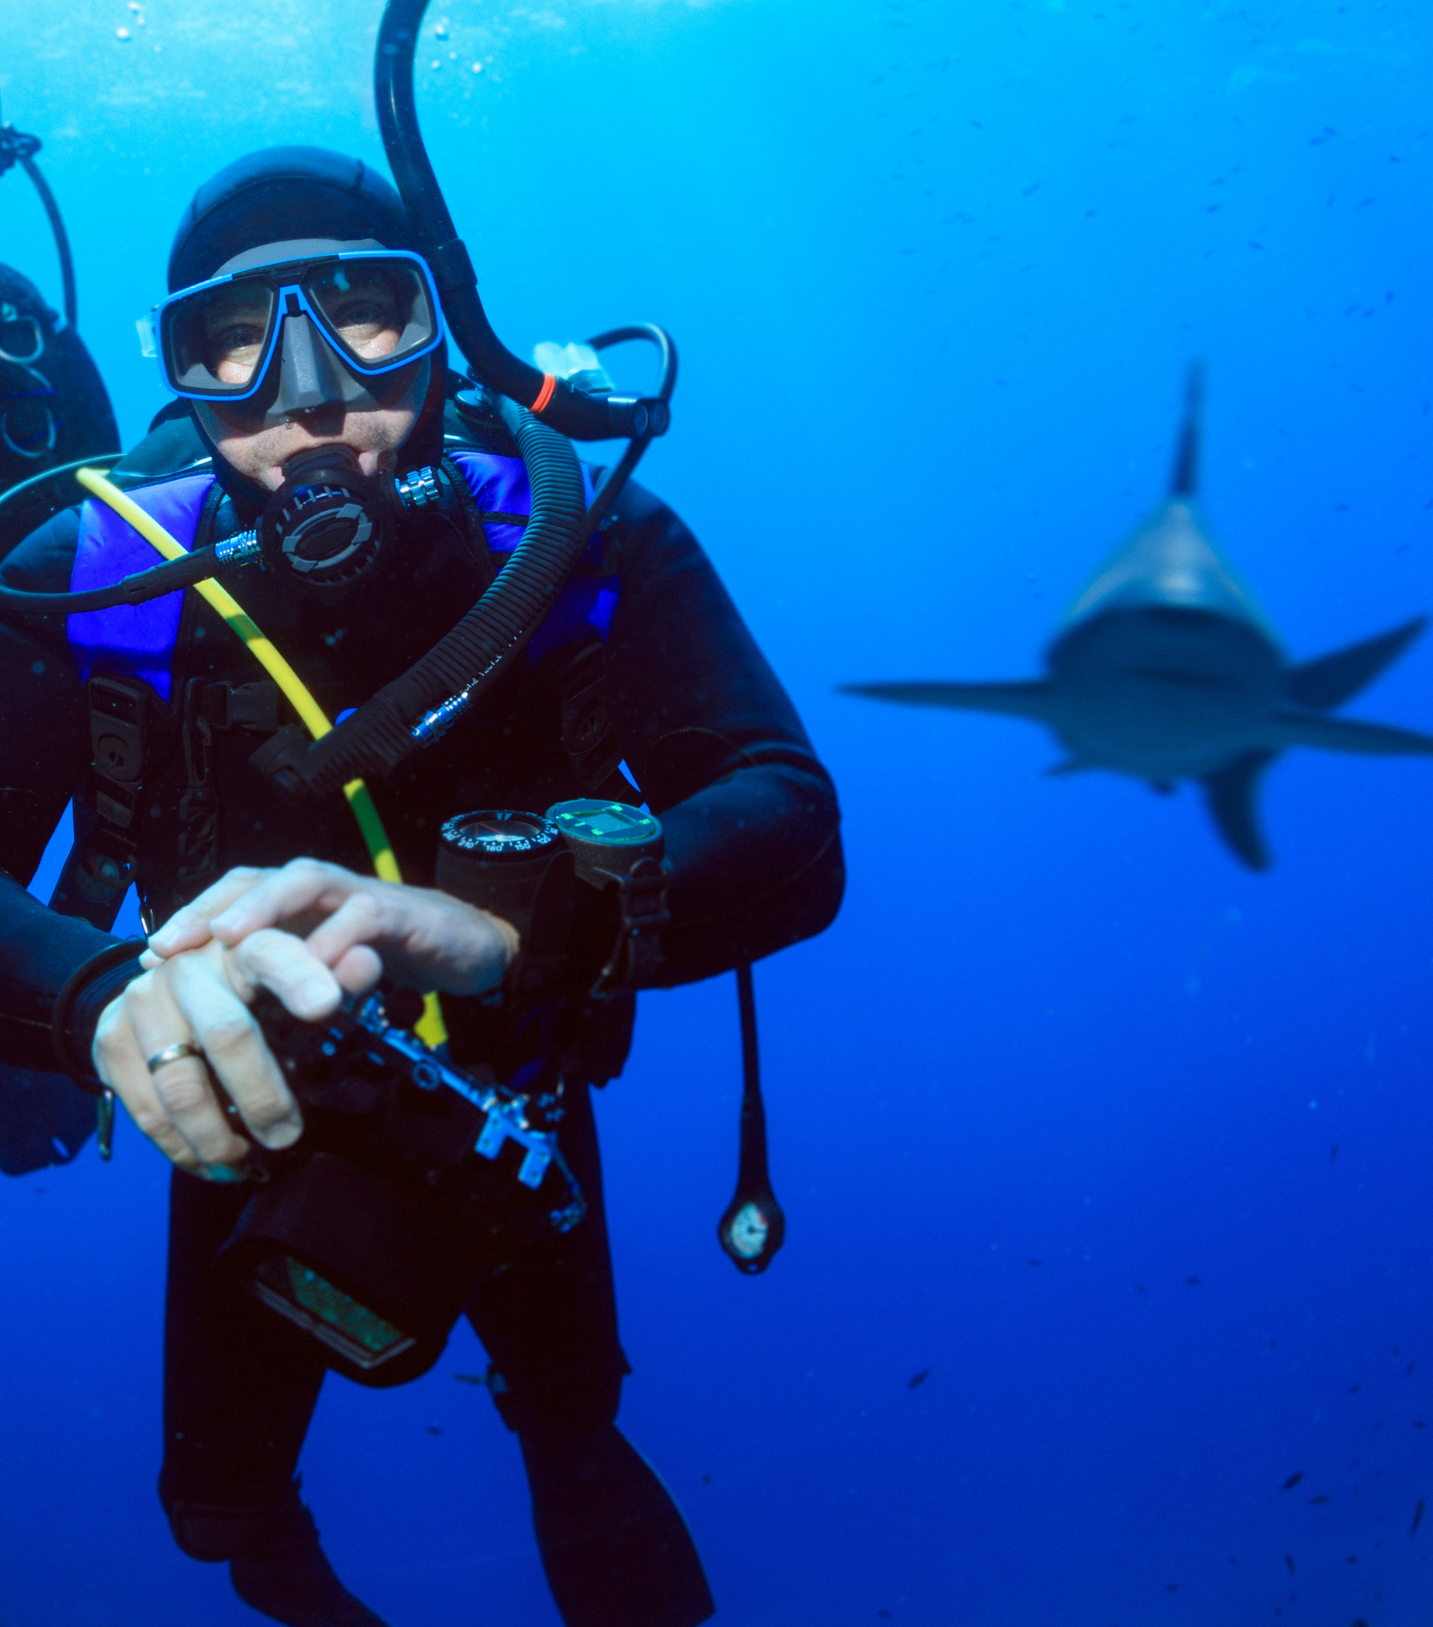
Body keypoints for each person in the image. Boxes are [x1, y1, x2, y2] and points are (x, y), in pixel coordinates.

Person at [0, 145, 843, 1627]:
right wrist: (98, 998)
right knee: (221, 1511)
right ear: (184, 373)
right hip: (242, 1105)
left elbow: (789, 819)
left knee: (571, 1420)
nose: (305, 388)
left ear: (443, 323)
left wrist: (526, 926)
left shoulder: (585, 537)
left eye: (363, 313)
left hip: (519, 1089)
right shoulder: (99, 575)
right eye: (232, 340)